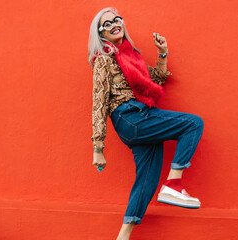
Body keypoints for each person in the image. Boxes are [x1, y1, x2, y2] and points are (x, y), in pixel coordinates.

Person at [87, 7, 204, 240]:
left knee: (147, 182)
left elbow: (157, 79)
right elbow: (98, 102)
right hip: (130, 117)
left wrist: (162, 54)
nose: (114, 25)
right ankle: (173, 184)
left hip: (142, 118)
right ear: (100, 35)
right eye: (106, 24)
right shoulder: (104, 60)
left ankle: (122, 237)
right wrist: (98, 148)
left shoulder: (133, 56)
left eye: (116, 20)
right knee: (193, 123)